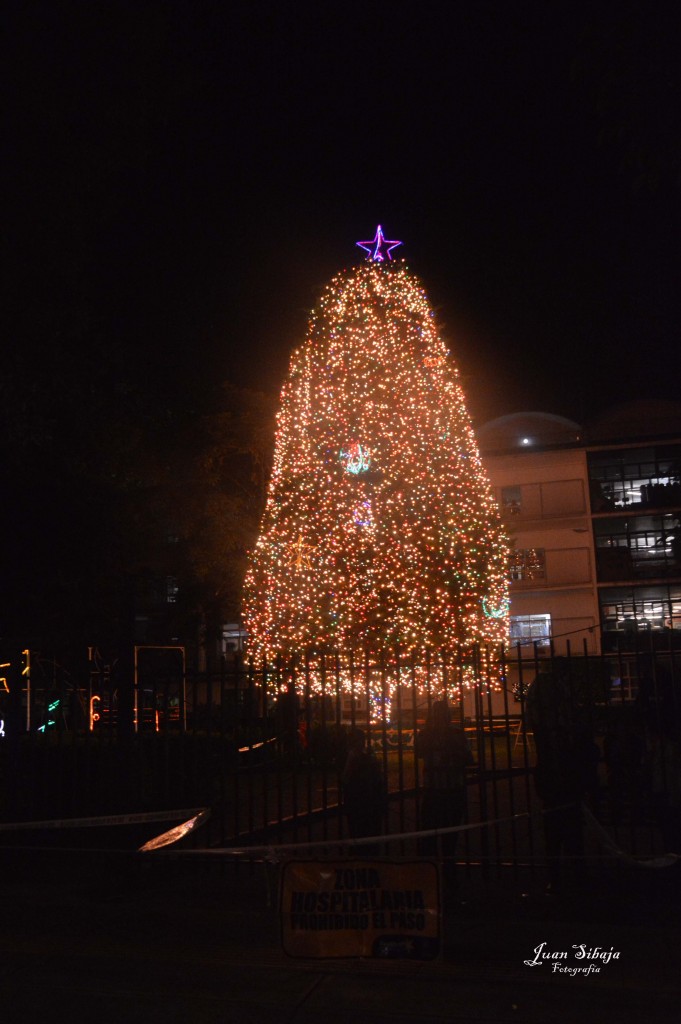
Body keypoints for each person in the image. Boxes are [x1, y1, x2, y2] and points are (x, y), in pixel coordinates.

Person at [416, 700, 473, 887]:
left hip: (433, 790)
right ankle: (449, 878)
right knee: (449, 840)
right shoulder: (456, 734)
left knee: (429, 837)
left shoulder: (425, 734)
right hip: (452, 790)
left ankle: (428, 877)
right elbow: (468, 758)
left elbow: (418, 752)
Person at [341, 728, 386, 849]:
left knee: (358, 830)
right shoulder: (365, 756)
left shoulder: (354, 755)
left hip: (358, 799)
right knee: (368, 832)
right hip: (367, 799)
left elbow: (346, 778)